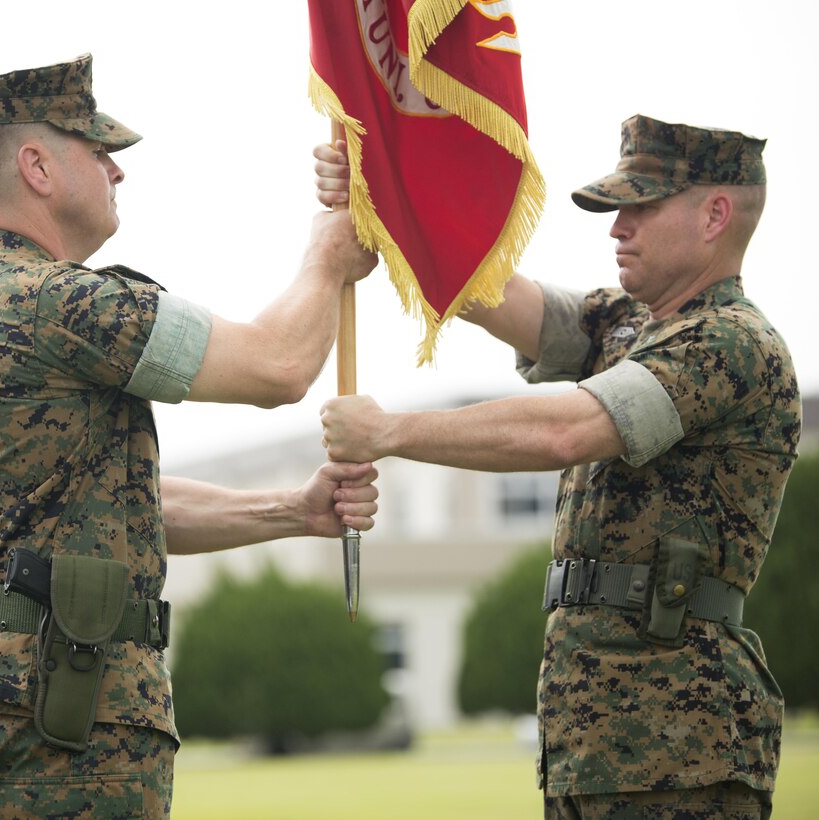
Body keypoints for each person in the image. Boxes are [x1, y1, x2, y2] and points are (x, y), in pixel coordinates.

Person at [0, 54, 378, 819]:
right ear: (37, 167)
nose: (117, 170)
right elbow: (278, 367)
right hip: (62, 714)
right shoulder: (55, 301)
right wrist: (328, 254)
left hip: (4, 701)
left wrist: (292, 512)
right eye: (97, 150)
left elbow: (110, 513)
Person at [316, 114, 801, 818]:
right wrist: (381, 204)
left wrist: (388, 432)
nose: (616, 227)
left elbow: (565, 433)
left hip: (680, 742)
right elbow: (483, 290)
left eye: (641, 207)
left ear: (713, 215)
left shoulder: (727, 342)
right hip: (598, 733)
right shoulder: (629, 324)